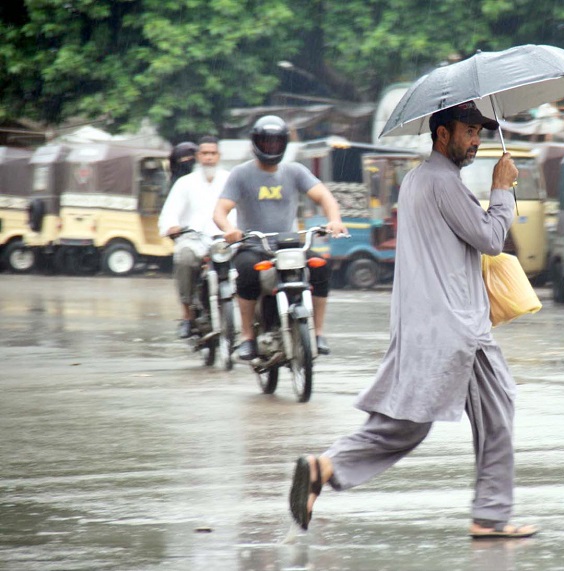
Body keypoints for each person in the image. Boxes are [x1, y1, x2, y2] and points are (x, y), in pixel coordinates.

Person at [287, 101, 538, 540]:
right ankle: (490, 516)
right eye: (469, 131)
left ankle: (324, 467)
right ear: (443, 135)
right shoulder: (444, 183)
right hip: (457, 328)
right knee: (493, 413)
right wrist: (501, 190)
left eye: (480, 131)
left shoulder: (417, 181)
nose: (477, 139)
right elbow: (491, 239)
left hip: (427, 323)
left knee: (407, 423)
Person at [213, 115, 346, 359]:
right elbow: (220, 211)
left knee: (321, 268)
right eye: (266, 142)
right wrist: (229, 230)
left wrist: (334, 219)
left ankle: (318, 333)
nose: (271, 147)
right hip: (254, 246)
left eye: (276, 143)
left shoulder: (295, 171)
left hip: (289, 245)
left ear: (283, 144)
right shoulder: (241, 174)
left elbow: (325, 198)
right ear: (256, 143)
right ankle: (246, 337)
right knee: (247, 272)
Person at [159, 136, 232, 338]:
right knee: (183, 257)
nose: (209, 158)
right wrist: (171, 226)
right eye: (205, 153)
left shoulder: (231, 180)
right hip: (194, 239)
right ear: (198, 156)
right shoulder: (185, 183)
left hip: (225, 240)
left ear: (219, 156)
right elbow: (170, 212)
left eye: (213, 153)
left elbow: (244, 209)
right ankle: (187, 315)